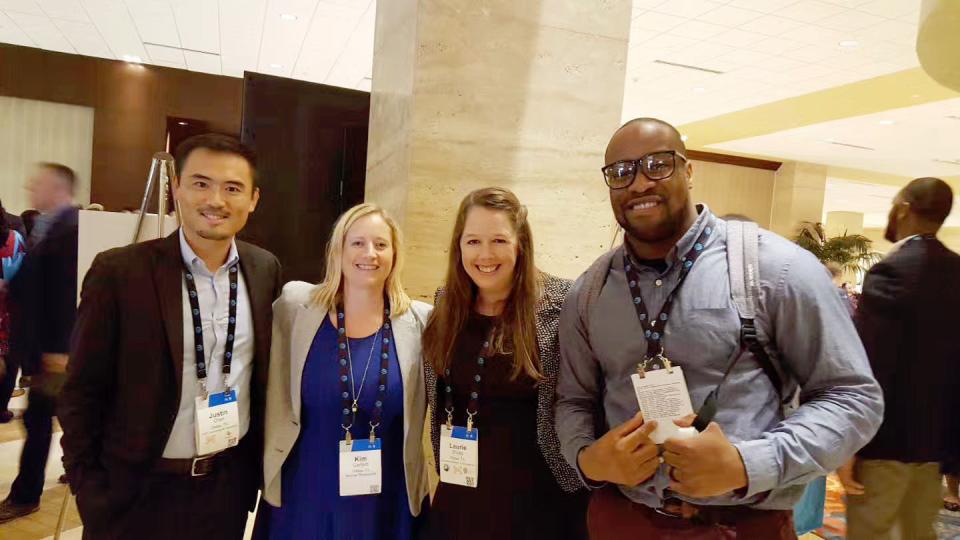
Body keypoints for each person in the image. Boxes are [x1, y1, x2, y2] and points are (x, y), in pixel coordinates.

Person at [555, 117, 884, 538]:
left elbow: (853, 397)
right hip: (623, 519)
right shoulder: (590, 291)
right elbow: (572, 399)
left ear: (689, 170)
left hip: (740, 524)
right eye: (621, 172)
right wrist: (586, 458)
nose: (638, 184)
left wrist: (750, 463)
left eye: (658, 164)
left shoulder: (776, 271)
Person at [58, 134, 281, 539]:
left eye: (233, 188)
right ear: (176, 186)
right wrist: (89, 488)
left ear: (253, 199)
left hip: (225, 491)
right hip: (135, 493)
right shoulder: (120, 273)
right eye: (201, 183)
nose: (216, 199)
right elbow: (81, 391)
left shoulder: (264, 269)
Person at [420, 187, 588, 540]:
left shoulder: (563, 304)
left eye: (498, 240)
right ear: (459, 247)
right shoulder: (446, 303)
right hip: (461, 494)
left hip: (541, 503)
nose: (485, 254)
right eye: (473, 241)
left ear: (520, 244)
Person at [257, 203, 431, 539]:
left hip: (385, 502)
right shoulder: (296, 308)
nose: (370, 253)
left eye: (381, 244)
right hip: (304, 494)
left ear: (395, 254)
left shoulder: (420, 323)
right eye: (358, 243)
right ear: (338, 250)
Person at [839, 177, 960, 540]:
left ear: (904, 208)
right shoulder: (956, 270)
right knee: (918, 533)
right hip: (935, 444)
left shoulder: (892, 270)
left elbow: (872, 364)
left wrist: (851, 443)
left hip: (885, 442)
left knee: (871, 532)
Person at [0, 163, 79, 524]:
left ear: (58, 188)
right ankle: (76, 468)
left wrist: (61, 349)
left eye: (39, 184)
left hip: (53, 350)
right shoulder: (50, 226)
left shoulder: (71, 229)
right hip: (43, 346)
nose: (32, 188)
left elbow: (66, 293)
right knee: (63, 416)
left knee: (39, 420)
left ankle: (25, 495)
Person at [0, 198, 26, 423]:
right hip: (8, 312)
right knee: (8, 359)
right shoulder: (14, 237)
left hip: (7, 312)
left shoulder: (14, 237)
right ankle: (1, 407)